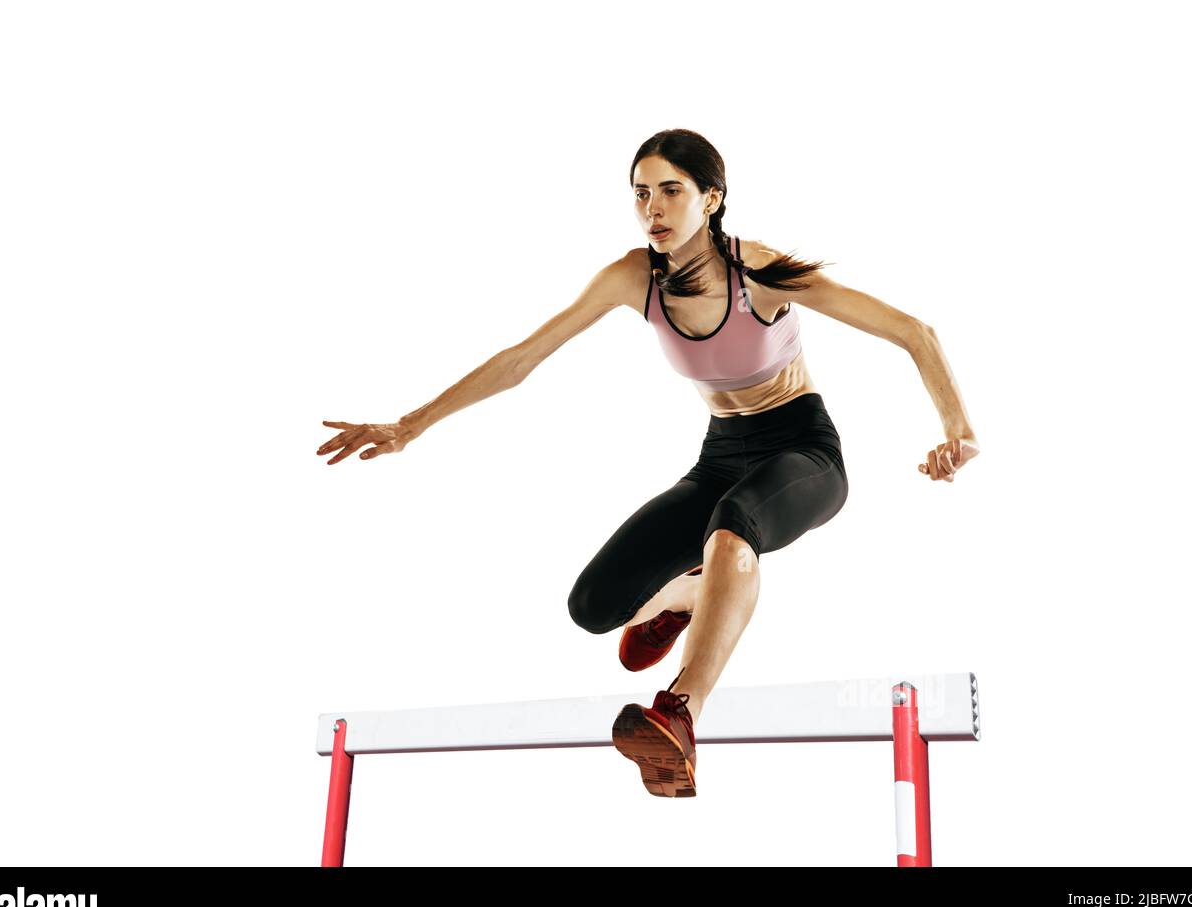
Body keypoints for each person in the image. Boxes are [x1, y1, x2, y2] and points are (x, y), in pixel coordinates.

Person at [316, 129, 980, 799]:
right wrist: (409, 425)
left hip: (801, 449)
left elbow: (914, 333)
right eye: (640, 194)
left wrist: (957, 432)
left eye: (671, 191)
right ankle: (694, 594)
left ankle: (681, 713)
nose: (652, 209)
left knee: (734, 521)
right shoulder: (635, 278)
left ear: (711, 197)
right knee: (593, 605)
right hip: (720, 452)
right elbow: (521, 359)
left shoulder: (763, 272)